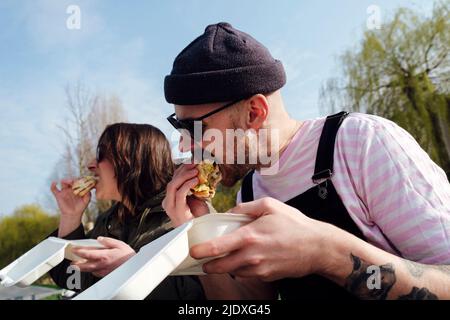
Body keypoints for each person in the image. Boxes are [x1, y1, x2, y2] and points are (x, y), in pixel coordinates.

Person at [162, 22, 450, 300]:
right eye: (180, 128)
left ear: (254, 113)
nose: (186, 145)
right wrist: (196, 232)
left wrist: (325, 251)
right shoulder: (251, 190)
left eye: (195, 127)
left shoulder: (360, 143)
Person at [49, 123, 205, 300]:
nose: (90, 165)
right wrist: (70, 217)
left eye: (101, 154)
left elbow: (201, 296)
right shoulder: (107, 221)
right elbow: (73, 283)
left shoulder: (186, 214)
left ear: (132, 160)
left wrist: (134, 269)